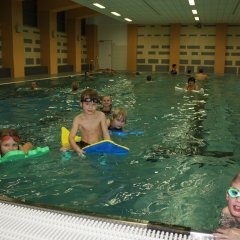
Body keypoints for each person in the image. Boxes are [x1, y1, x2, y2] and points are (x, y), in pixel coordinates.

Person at [69, 88, 110, 156]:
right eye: (87, 104)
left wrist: (108, 145)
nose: (90, 107)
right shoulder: (78, 119)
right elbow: (71, 137)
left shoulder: (101, 115)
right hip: (84, 146)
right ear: (81, 104)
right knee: (62, 149)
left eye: (93, 104)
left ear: (97, 105)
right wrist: (77, 149)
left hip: (98, 145)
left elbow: (106, 134)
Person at [213, 173, 240, 239]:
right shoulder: (226, 212)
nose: (239, 200)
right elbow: (223, 234)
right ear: (227, 195)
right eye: (234, 192)